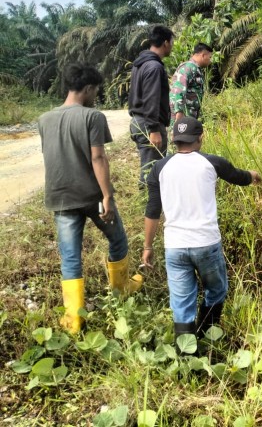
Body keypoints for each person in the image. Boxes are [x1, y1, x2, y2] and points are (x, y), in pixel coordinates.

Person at [38, 64, 143, 334]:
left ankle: (74, 320)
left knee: (70, 257)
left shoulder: (44, 119)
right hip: (91, 196)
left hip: (60, 198)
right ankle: (121, 291)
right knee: (117, 239)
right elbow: (98, 157)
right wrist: (107, 195)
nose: (96, 95)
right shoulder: (92, 117)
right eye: (95, 90)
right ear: (87, 89)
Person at [141, 117, 261, 341]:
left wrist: (147, 246)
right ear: (200, 138)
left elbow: (152, 211)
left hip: (175, 246)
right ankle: (208, 336)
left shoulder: (160, 167)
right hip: (206, 244)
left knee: (181, 302)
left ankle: (186, 354)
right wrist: (254, 175)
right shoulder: (212, 162)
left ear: (175, 140)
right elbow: (240, 177)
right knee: (216, 291)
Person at [129, 25, 174, 186]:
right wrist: (154, 129)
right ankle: (149, 208)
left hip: (139, 121)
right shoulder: (154, 67)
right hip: (148, 125)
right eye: (172, 42)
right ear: (165, 43)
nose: (172, 46)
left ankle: (149, 206)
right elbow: (150, 99)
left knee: (149, 167)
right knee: (152, 171)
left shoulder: (140, 64)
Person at [169, 43, 213, 123]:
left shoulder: (195, 69)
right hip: (182, 117)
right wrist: (179, 113)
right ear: (203, 55)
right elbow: (178, 90)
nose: (210, 61)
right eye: (209, 57)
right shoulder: (189, 67)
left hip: (188, 117)